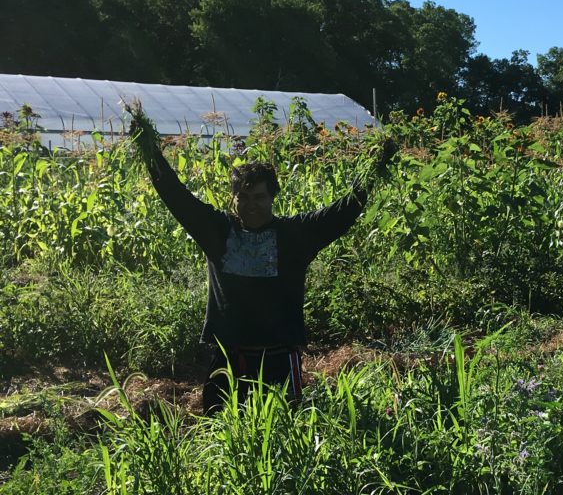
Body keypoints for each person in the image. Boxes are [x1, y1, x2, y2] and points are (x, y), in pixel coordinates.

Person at [128, 103, 397, 413]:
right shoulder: (217, 231)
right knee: (221, 436)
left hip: (279, 360)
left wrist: (378, 164)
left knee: (283, 436)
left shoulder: (293, 236)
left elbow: (342, 212)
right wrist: (149, 151)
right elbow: (177, 197)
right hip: (228, 360)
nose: (251, 204)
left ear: (273, 196)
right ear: (233, 198)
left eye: (259, 197)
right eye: (243, 196)